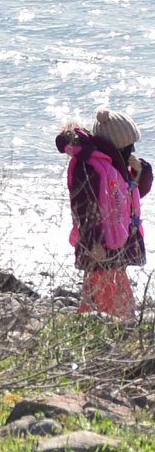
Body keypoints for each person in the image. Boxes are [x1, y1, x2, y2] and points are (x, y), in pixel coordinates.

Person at [58, 110, 149, 319]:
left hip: (116, 238)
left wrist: (141, 173)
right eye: (129, 146)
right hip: (100, 243)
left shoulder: (115, 166)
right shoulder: (89, 168)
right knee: (105, 289)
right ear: (117, 146)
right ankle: (111, 328)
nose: (133, 150)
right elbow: (83, 208)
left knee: (109, 285)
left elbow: (131, 197)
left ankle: (101, 324)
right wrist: (94, 241)